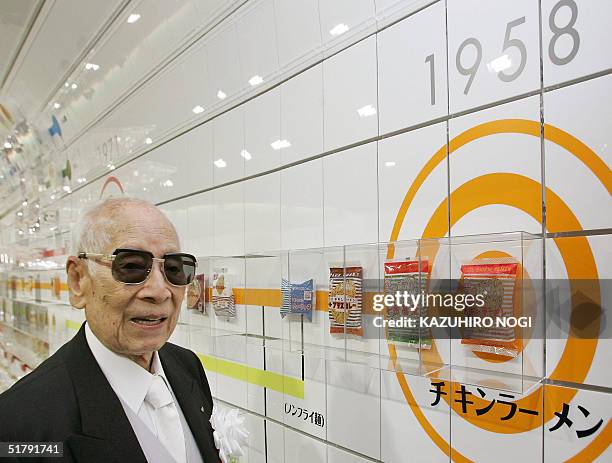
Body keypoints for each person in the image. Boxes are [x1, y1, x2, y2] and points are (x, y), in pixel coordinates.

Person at [0, 197, 220, 463]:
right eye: (131, 267)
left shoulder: (187, 365)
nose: (160, 291)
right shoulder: (20, 422)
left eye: (174, 268)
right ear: (78, 280)